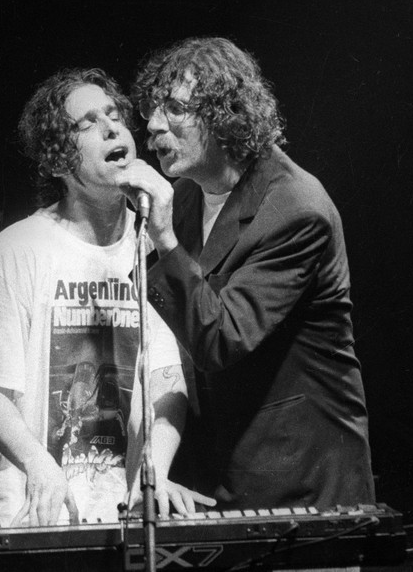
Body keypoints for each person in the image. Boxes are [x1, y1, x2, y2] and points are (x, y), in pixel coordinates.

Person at [117, 37, 376, 512]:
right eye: (153, 109)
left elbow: (222, 339)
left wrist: (164, 238)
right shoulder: (189, 197)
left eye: (175, 108)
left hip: (300, 483)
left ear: (226, 116)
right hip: (218, 476)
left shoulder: (296, 208)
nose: (152, 125)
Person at [0, 68, 213, 526]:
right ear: (58, 161)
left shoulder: (152, 249)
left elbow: (167, 381)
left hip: (117, 510)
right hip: (26, 507)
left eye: (114, 115)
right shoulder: (18, 249)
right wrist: (39, 466)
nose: (112, 129)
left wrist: (153, 470)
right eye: (87, 123)